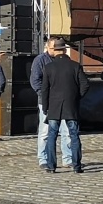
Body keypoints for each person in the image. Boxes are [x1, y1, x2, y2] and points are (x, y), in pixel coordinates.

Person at [39, 37, 92, 173]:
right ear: (64, 50)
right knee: (74, 135)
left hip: (54, 107)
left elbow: (44, 90)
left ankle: (51, 166)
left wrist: (45, 107)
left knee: (52, 136)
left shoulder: (48, 67)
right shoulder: (75, 66)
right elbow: (85, 84)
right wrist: (76, 97)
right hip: (71, 106)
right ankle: (77, 166)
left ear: (55, 51)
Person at [30, 44, 55, 169]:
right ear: (47, 47)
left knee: (66, 131)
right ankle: (43, 158)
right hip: (45, 100)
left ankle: (68, 158)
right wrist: (44, 94)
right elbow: (35, 80)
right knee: (45, 131)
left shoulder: (62, 60)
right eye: (53, 48)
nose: (55, 51)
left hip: (61, 100)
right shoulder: (40, 60)